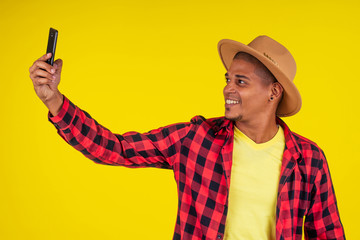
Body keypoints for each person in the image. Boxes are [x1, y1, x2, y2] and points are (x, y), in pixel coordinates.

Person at [29, 35, 345, 240]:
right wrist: (53, 100)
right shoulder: (196, 139)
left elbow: (328, 234)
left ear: (273, 92)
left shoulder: (308, 160)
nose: (227, 88)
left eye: (241, 81)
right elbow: (115, 149)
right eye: (227, 79)